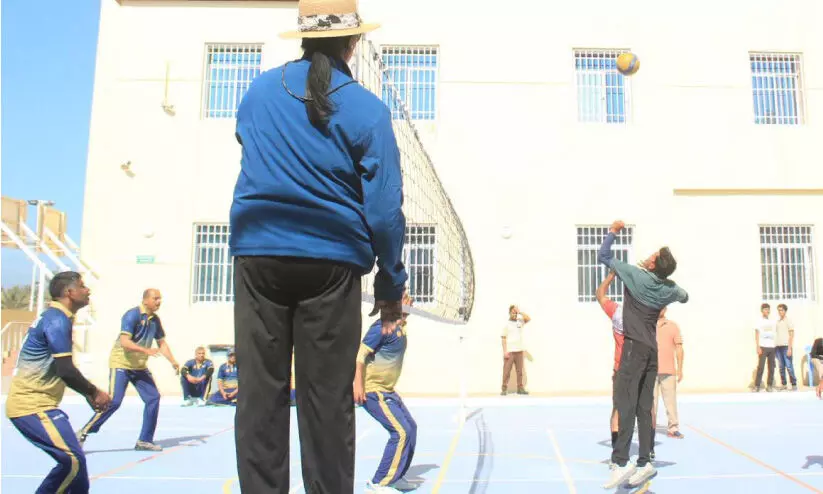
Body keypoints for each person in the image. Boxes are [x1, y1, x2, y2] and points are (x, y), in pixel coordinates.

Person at [228, 0, 407, 491]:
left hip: (259, 253)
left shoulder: (260, 90)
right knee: (327, 400)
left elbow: (247, 142)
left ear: (303, 38)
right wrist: (391, 284)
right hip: (330, 262)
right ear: (354, 42)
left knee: (259, 396)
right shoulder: (367, 108)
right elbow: (385, 210)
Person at [598, 220, 688, 489]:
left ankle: (620, 462)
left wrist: (613, 232)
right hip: (652, 352)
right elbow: (684, 296)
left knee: (625, 404)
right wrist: (665, 283)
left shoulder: (635, 275)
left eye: (653, 255)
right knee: (644, 407)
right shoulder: (668, 288)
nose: (649, 255)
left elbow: (604, 255)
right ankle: (645, 460)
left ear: (652, 263)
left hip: (633, 349)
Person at [6, 271, 111, 494]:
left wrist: (88, 393)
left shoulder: (57, 317)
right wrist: (93, 392)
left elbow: (63, 369)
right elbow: (66, 370)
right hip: (31, 406)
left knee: (77, 469)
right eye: (82, 286)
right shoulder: (57, 319)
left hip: (41, 405)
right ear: (69, 292)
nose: (88, 290)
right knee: (72, 460)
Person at [78, 289, 180, 451]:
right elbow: (125, 342)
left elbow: (162, 343)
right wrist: (146, 350)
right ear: (145, 300)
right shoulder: (132, 315)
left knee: (153, 398)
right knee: (114, 402)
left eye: (160, 298)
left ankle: (144, 440)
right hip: (121, 364)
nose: (159, 301)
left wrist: (173, 362)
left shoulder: (155, 320)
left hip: (139, 366)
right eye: (155, 298)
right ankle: (84, 432)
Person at [354, 293, 418, 493]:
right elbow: (360, 354)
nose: (410, 300)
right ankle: (378, 483)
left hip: (388, 391)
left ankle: (396, 476)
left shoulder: (400, 327)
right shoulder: (382, 326)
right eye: (404, 297)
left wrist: (403, 315)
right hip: (374, 391)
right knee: (401, 432)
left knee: (411, 428)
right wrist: (358, 384)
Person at [595, 271, 625, 459]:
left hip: (621, 368)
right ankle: (647, 452)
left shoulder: (618, 312)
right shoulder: (645, 314)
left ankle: (617, 450)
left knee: (618, 408)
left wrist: (611, 275)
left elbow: (600, 294)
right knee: (643, 410)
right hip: (637, 368)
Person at [652, 308, 684, 439]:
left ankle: (673, 428)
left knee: (671, 402)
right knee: (650, 403)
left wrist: (680, 369)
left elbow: (679, 348)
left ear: (665, 309)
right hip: (650, 371)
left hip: (669, 371)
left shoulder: (673, 326)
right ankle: (649, 428)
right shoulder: (646, 324)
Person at [501, 305, 531, 395]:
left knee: (520, 371)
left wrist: (520, 312)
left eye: (515, 312)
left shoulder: (519, 322)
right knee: (506, 371)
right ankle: (504, 389)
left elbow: (528, 318)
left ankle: (520, 388)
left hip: (519, 350)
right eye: (513, 312)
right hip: (510, 351)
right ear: (509, 313)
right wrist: (505, 351)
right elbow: (503, 338)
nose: (514, 314)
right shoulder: (506, 324)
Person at [753, 303, 777, 392]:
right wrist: (757, 346)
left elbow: (774, 333)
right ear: (762, 310)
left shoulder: (772, 321)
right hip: (763, 346)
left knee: (771, 367)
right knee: (761, 367)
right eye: (765, 309)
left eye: (768, 309)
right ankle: (757, 386)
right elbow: (757, 334)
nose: (767, 311)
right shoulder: (759, 321)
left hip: (772, 347)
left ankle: (769, 385)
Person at [774, 303, 798, 391]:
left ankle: (794, 384)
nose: (780, 312)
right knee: (781, 367)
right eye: (779, 310)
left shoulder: (789, 321)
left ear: (785, 311)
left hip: (786, 347)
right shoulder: (777, 322)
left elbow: (791, 335)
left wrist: (789, 348)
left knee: (789, 366)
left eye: (781, 310)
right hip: (778, 347)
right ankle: (784, 384)